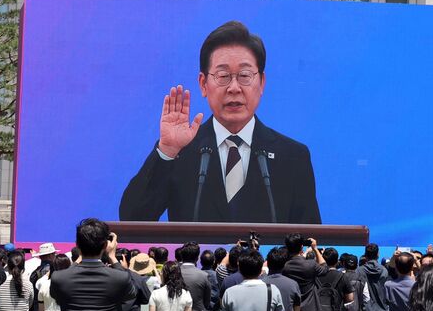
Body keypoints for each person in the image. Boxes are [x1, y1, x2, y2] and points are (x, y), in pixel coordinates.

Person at [119, 20, 321, 223]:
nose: (234, 87)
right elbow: (132, 219)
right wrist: (166, 152)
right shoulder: (181, 151)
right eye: (223, 75)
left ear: (262, 83)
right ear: (203, 84)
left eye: (244, 75)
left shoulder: (293, 157)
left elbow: (311, 240)